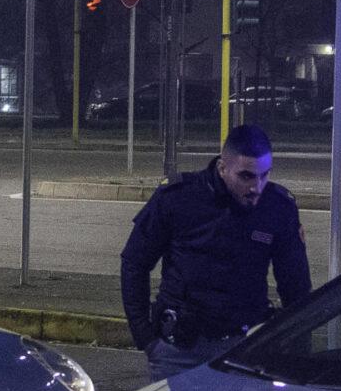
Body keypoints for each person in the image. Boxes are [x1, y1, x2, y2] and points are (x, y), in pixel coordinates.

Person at [121, 123, 314, 377]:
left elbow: (295, 285)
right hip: (180, 351)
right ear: (223, 168)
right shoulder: (178, 197)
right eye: (246, 176)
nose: (257, 187)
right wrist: (146, 338)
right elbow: (134, 262)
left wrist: (298, 350)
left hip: (245, 349)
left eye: (264, 175)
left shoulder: (277, 207)